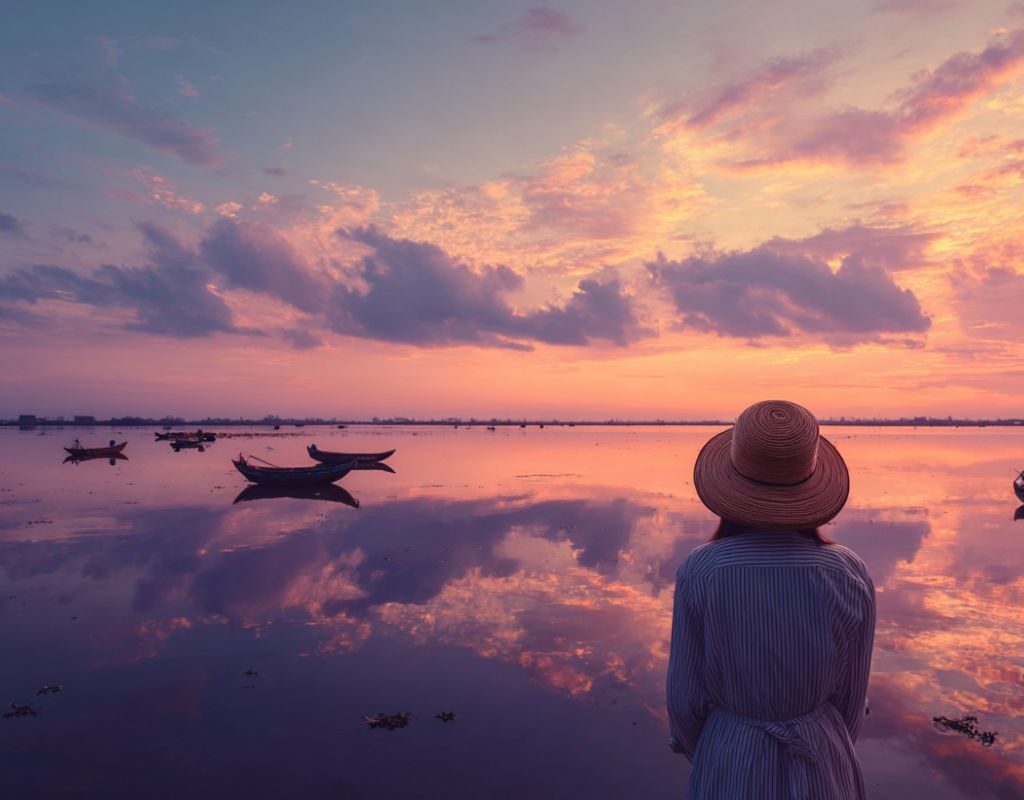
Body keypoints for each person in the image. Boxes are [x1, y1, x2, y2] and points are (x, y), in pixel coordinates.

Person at [667, 400, 875, 798]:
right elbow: (852, 699)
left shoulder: (703, 570)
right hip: (823, 757)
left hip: (730, 755)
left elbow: (684, 701)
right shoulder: (849, 571)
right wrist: (821, 735)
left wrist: (717, 750)